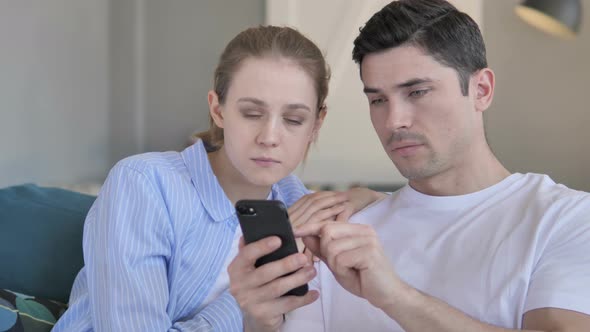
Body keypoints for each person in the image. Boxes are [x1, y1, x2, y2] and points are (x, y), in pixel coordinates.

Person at [230, 1, 590, 331]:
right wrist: (256, 320)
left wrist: (396, 297)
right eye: (378, 100)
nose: (394, 121)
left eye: (417, 92)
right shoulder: (338, 231)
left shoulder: (566, 219)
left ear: (481, 90)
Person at [53, 26, 383, 331]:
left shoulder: (301, 206)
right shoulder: (144, 184)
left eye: (294, 119)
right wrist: (243, 304)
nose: (269, 137)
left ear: (316, 124)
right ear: (218, 109)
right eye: (252, 113)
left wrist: (366, 197)